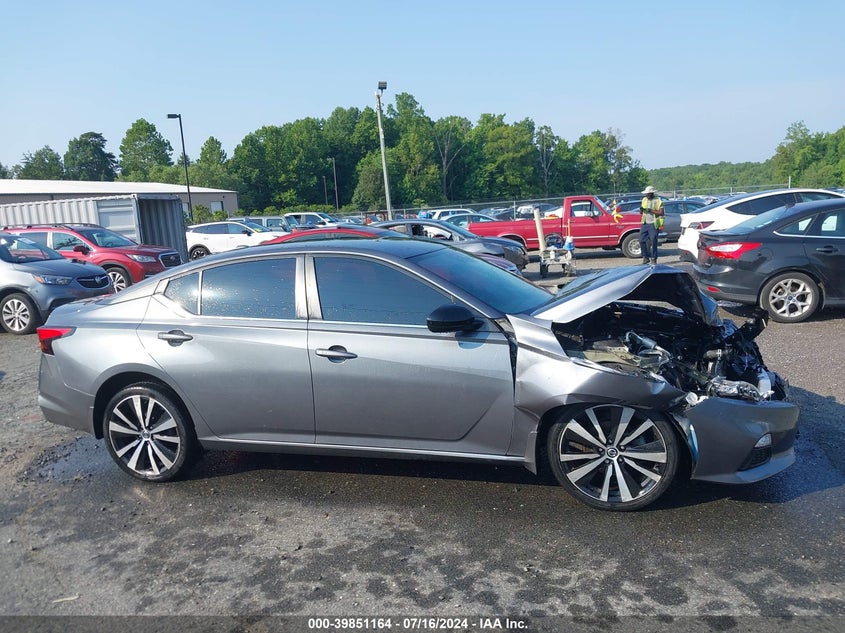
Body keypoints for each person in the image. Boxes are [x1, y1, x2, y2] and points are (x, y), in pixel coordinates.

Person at [639, 186, 664, 264]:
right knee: (641, 240)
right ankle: (645, 257)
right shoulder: (644, 200)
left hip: (653, 223)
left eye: (648, 194)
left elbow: (661, 212)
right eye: (646, 194)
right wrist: (641, 210)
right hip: (645, 223)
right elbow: (642, 211)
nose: (647, 195)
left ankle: (654, 258)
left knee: (653, 241)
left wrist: (651, 210)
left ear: (652, 193)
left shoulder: (658, 200)